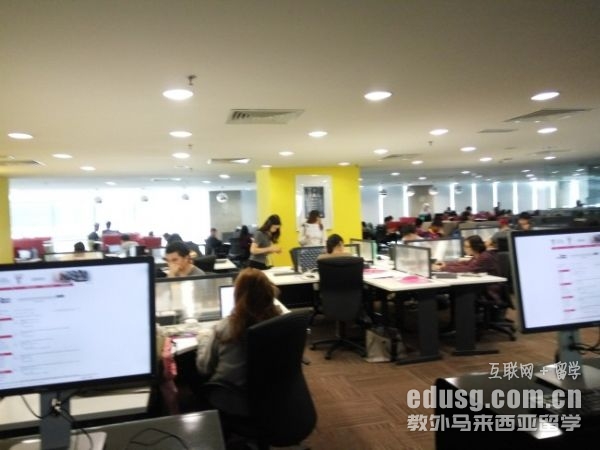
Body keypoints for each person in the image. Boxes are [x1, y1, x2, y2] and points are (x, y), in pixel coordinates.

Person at [195, 268, 283, 391]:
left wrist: (204, 338)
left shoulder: (225, 326)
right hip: (271, 390)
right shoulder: (279, 321)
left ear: (237, 294)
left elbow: (204, 367)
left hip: (230, 393)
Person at [433, 235, 503, 305]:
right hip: (482, 286)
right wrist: (446, 264)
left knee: (459, 290)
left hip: (489, 290)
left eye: (466, 247)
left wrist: (442, 268)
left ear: (475, 247)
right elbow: (464, 264)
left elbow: (468, 269)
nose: (464, 249)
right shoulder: (478, 255)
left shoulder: (485, 257)